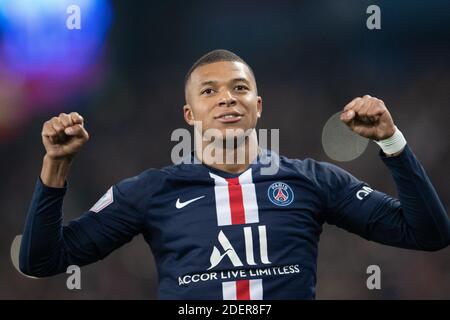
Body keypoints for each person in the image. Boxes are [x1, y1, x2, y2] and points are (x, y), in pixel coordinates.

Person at [19, 49, 450, 299]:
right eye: (210, 91)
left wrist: (391, 142)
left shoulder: (313, 181)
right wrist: (56, 164)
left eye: (239, 88)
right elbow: (40, 260)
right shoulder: (151, 192)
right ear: (190, 114)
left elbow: (429, 233)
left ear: (257, 106)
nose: (227, 98)